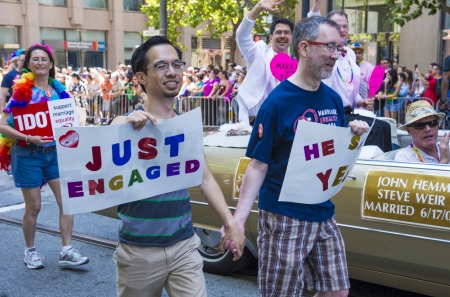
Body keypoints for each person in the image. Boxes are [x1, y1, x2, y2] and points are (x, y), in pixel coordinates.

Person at [229, 16, 369, 297]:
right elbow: (257, 166)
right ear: (304, 48)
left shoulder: (331, 99)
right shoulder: (277, 103)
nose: (335, 55)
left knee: (337, 291)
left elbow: (334, 153)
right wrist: (238, 222)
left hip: (323, 212)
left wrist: (353, 132)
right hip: (284, 217)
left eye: (338, 48)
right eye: (329, 47)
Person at [111, 36, 245, 297]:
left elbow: (205, 179)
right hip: (138, 251)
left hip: (184, 245)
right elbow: (102, 156)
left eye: (176, 64)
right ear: (140, 77)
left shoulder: (186, 126)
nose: (172, 72)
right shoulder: (125, 125)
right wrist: (125, 123)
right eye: (161, 66)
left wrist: (231, 224)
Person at [0, 44, 89, 270]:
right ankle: (30, 251)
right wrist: (29, 138)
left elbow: (68, 124)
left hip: (55, 154)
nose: (40, 63)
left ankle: (67, 251)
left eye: (44, 59)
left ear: (51, 64)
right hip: (28, 154)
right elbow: (2, 125)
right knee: (34, 207)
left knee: (67, 203)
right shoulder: (22, 91)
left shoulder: (58, 90)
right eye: (35, 59)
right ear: (28, 64)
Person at [308, 0, 392, 152]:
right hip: (330, 114)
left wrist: (361, 101)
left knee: (385, 127)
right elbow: (314, 26)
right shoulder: (323, 50)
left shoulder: (350, 54)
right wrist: (316, 7)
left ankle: (383, 172)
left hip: (348, 112)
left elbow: (348, 86)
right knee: (375, 130)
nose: (341, 29)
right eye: (336, 25)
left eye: (345, 26)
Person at [235, 0, 294, 125]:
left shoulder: (295, 64)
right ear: (271, 37)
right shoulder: (259, 53)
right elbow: (242, 36)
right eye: (278, 32)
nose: (282, 35)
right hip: (258, 121)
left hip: (285, 123)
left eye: (287, 33)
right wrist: (258, 7)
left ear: (291, 38)